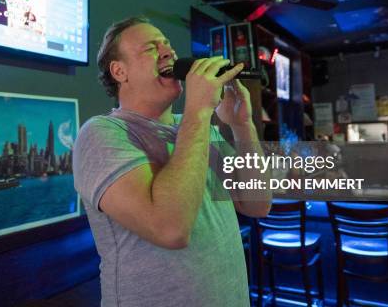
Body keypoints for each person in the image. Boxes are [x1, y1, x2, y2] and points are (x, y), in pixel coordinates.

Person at [73, 17, 271, 306]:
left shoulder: (199, 128)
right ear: (119, 71)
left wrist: (243, 125)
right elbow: (170, 229)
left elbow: (257, 204)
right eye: (151, 48)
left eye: (167, 44)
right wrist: (199, 111)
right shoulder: (101, 134)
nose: (169, 52)